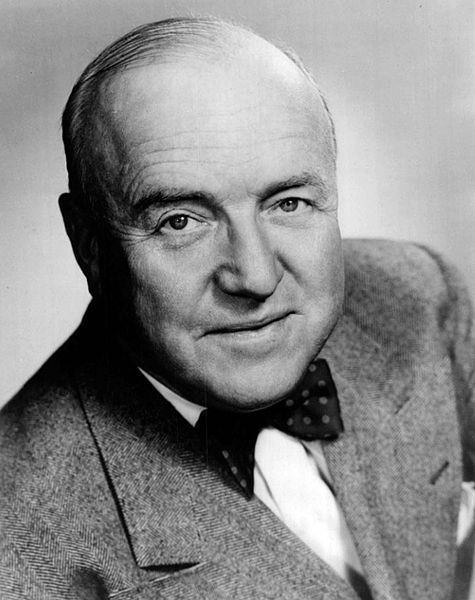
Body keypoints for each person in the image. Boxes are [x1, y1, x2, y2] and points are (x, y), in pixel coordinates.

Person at [1, 17, 474, 600]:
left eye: (288, 203)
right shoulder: (17, 548)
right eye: (180, 221)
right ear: (88, 245)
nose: (255, 276)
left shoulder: (421, 295)